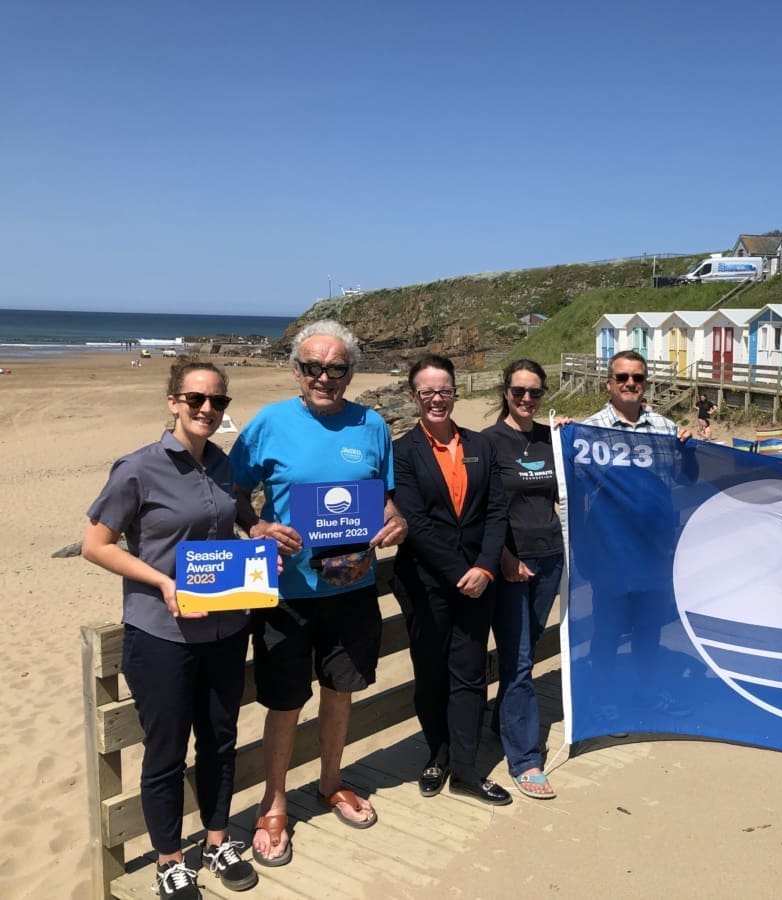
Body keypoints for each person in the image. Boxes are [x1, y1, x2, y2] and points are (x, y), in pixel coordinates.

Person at [230, 320, 408, 866]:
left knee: (340, 690)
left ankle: (331, 782)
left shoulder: (371, 425)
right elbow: (233, 494)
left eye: (335, 368)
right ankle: (275, 801)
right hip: (285, 592)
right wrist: (256, 528)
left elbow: (386, 500)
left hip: (352, 589)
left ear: (350, 372)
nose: (323, 377)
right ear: (297, 370)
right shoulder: (268, 423)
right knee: (284, 702)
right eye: (312, 367)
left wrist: (395, 521)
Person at [82, 362, 258, 898]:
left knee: (221, 741)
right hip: (161, 636)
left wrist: (263, 532)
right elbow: (96, 545)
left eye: (218, 402)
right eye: (196, 399)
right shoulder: (138, 468)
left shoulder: (227, 466)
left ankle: (217, 839)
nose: (207, 409)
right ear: (172, 401)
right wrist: (163, 582)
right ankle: (168, 859)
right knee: (165, 750)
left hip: (227, 629)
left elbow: (239, 521)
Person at [392, 355, 512, 806]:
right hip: (426, 581)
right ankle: (436, 754)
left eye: (444, 390)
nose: (436, 399)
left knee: (469, 673)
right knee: (429, 672)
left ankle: (465, 769)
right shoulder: (403, 452)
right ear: (414, 397)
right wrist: (460, 571)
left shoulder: (481, 445)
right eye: (427, 392)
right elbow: (416, 521)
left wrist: (483, 567)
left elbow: (496, 510)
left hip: (478, 580)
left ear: (455, 392)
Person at [581, 350, 695, 724]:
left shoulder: (665, 429)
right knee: (608, 631)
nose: (630, 383)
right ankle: (603, 698)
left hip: (654, 551)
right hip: (610, 552)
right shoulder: (587, 430)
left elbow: (687, 479)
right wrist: (561, 432)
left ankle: (646, 693)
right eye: (623, 378)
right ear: (609, 384)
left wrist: (691, 447)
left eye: (638, 378)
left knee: (649, 629)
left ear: (646, 383)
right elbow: (569, 485)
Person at [482, 360, 564, 799]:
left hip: (550, 557)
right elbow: (481, 510)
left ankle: (501, 721)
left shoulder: (552, 439)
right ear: (506, 392)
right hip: (511, 564)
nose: (527, 399)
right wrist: (505, 558)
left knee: (526, 650)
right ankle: (526, 759)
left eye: (535, 392)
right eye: (519, 391)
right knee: (517, 658)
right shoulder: (489, 442)